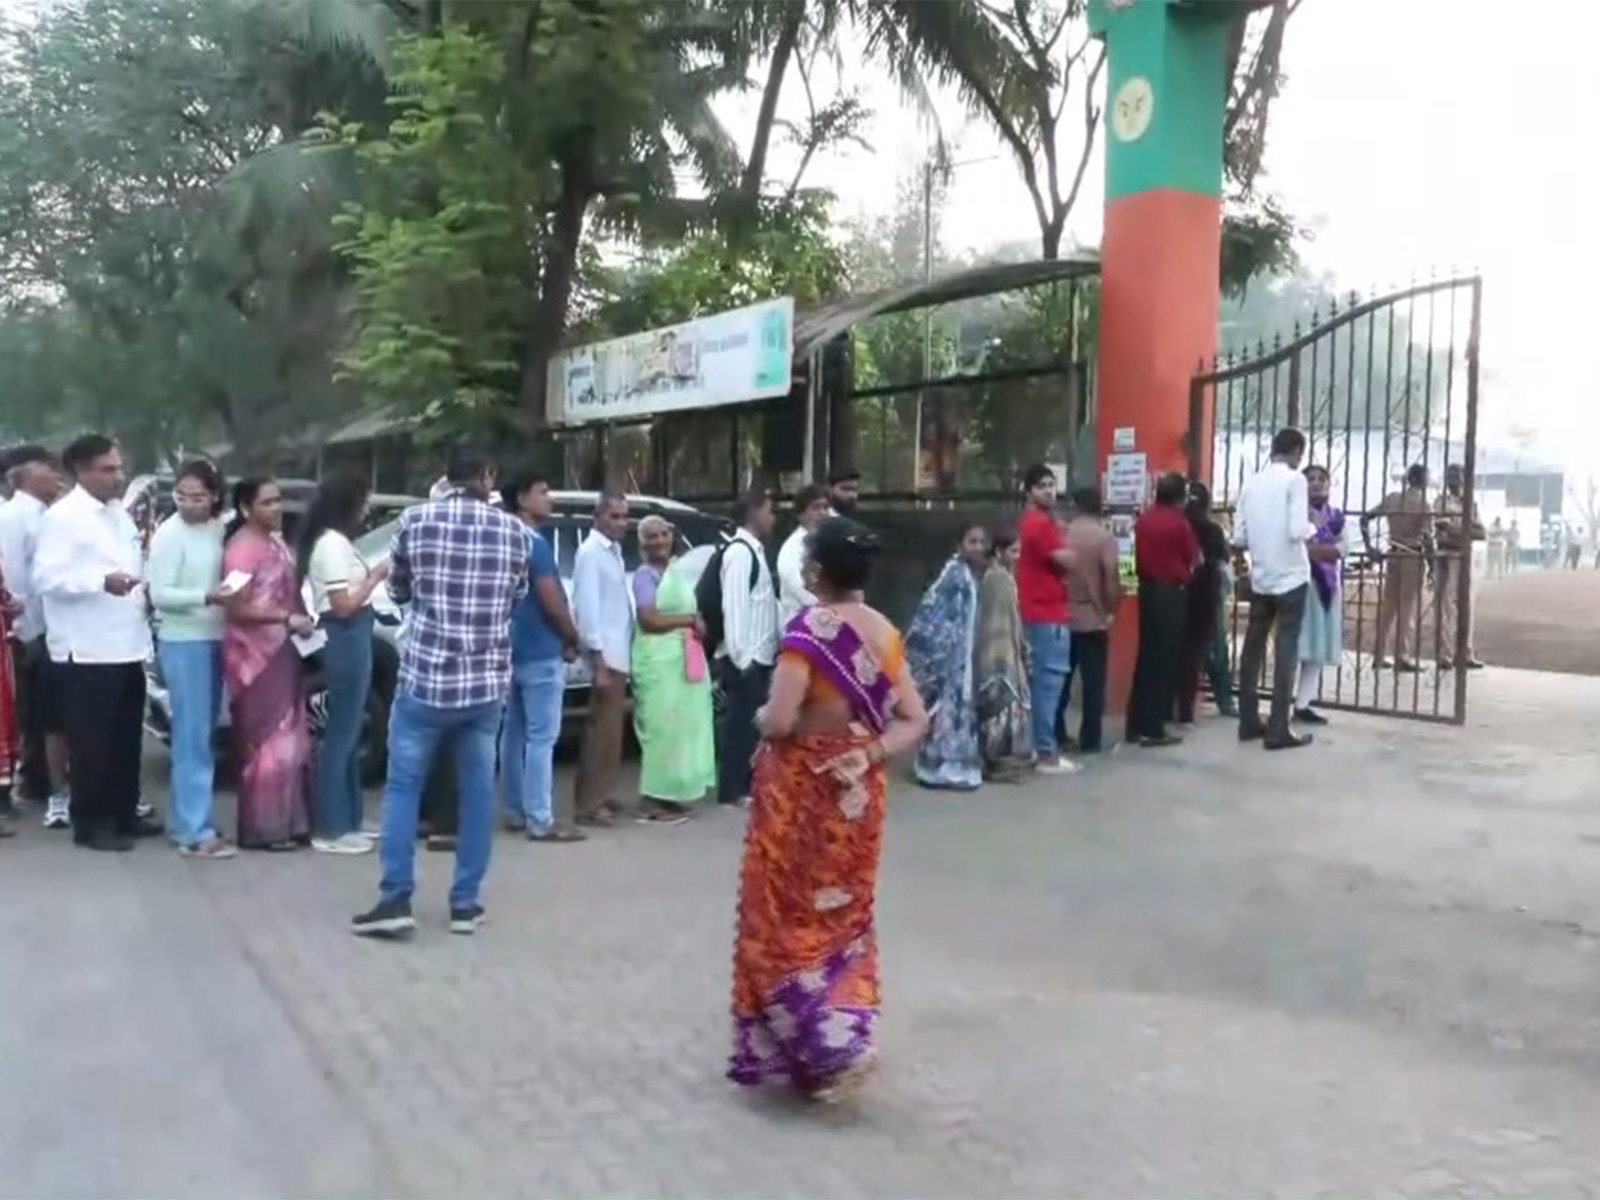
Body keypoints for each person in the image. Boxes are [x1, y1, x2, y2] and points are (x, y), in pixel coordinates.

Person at [728, 517, 928, 1102]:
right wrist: (868, 753)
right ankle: (844, 1034)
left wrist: (760, 721)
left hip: (800, 795)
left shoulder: (808, 632)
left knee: (782, 917)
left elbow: (783, 719)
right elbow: (913, 719)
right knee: (844, 915)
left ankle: (821, 1048)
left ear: (815, 573)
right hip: (856, 797)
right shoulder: (886, 633)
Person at [353, 445, 528, 938]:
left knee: (404, 788)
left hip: (427, 680)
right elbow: (516, 598)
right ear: (487, 476)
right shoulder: (516, 532)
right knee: (476, 791)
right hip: (485, 683)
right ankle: (466, 905)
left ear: (446, 476)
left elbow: (401, 589)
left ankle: (395, 898)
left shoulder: (415, 521)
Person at [33, 434, 161, 850]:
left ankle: (124, 814)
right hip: (86, 649)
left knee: (125, 738)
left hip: (126, 644)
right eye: (107, 469)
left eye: (118, 468)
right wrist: (99, 582)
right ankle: (92, 823)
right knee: (93, 744)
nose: (117, 476)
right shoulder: (63, 518)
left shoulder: (118, 515)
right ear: (81, 471)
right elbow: (46, 579)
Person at [147, 460, 235, 859]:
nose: (188, 503)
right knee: (192, 737)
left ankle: (189, 819)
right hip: (184, 642)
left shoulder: (219, 529)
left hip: (216, 637)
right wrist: (205, 597)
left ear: (215, 496)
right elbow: (159, 593)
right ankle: (193, 831)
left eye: (198, 496)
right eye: (181, 495)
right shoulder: (169, 534)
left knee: (202, 734)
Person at [222, 478, 314, 851]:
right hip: (253, 658)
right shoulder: (242, 550)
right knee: (266, 745)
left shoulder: (275, 543)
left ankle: (291, 822)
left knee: (292, 739)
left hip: (283, 649)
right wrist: (283, 618)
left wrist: (301, 618)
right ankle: (264, 828)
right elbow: (235, 606)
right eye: (267, 502)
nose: (277, 508)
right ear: (246, 508)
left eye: (278, 501)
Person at [300, 472, 388, 855]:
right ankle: (330, 826)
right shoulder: (331, 545)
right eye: (364, 500)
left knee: (351, 730)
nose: (368, 508)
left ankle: (349, 816)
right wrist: (375, 578)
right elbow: (343, 604)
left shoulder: (338, 542)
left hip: (355, 632)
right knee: (341, 733)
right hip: (344, 632)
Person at [499, 473, 583, 842]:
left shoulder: (502, 540)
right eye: (543, 491)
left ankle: (515, 809)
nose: (550, 498)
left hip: (508, 649)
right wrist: (570, 636)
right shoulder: (536, 544)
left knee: (513, 733)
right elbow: (551, 599)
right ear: (522, 498)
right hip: (540, 649)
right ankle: (540, 817)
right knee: (541, 736)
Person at [1232, 428, 1315, 750]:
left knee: (1252, 649)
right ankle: (1278, 726)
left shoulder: (1251, 482)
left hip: (1262, 576)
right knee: (1286, 651)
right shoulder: (1295, 480)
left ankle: (1248, 720)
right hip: (1292, 576)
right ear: (1296, 450)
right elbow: (1297, 529)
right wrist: (1312, 527)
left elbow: (1239, 537)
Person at [630, 514, 715, 821]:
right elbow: (649, 619)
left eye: (663, 534)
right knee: (660, 728)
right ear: (642, 543)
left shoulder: (675, 572)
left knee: (682, 728)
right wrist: (689, 621)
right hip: (657, 660)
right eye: (651, 536)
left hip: (683, 657)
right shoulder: (645, 575)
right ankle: (651, 800)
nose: (659, 541)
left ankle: (670, 794)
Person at [0, 445, 66, 819]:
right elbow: (13, 576)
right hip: (26, 628)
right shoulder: (14, 517)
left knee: (43, 708)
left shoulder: (44, 514)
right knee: (29, 711)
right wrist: (19, 628)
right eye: (49, 468)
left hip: (46, 625)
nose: (56, 475)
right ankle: (28, 780)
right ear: (25, 474)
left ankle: (39, 777)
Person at [904, 524, 987, 790]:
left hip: (961, 657)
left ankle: (954, 766)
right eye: (971, 541)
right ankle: (942, 768)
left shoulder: (966, 574)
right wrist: (947, 651)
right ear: (959, 544)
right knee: (947, 712)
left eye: (981, 542)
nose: (977, 547)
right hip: (951, 657)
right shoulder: (954, 575)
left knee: (956, 713)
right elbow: (936, 614)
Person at [569, 489, 634, 828]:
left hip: (619, 653)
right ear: (598, 516)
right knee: (600, 732)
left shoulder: (613, 551)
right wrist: (597, 660)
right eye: (614, 516)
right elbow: (588, 608)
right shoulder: (591, 552)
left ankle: (602, 794)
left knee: (612, 732)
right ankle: (589, 804)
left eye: (624, 516)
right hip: (605, 655)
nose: (621, 522)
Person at [715, 489, 780, 807]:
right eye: (769, 510)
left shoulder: (756, 551)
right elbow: (735, 608)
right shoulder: (740, 553)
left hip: (759, 655)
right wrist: (742, 660)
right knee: (740, 726)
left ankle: (747, 783)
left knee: (751, 725)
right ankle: (733, 789)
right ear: (754, 512)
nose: (773, 517)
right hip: (747, 658)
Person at [1015, 464, 1078, 774]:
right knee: (1048, 685)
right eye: (1042, 485)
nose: (1049, 491)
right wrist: (1067, 540)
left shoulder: (1036, 523)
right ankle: (1046, 753)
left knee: (1040, 684)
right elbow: (1068, 560)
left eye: (1052, 485)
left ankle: (1039, 747)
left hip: (1039, 612)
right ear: (1028, 491)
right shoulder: (1040, 525)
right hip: (1047, 614)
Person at [1129, 473, 1197, 747]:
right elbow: (1193, 557)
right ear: (1180, 498)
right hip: (1171, 592)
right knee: (1165, 661)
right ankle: (1154, 727)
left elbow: (1133, 558)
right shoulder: (1179, 524)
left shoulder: (1143, 519)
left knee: (1145, 658)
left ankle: (1134, 724)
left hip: (1147, 590)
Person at [1062, 487, 1121, 752]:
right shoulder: (1105, 538)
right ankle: (1090, 738)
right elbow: (1112, 577)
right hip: (1093, 620)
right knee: (1093, 684)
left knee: (1060, 681)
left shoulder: (1061, 534)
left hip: (1061, 617)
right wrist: (1111, 609)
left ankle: (1055, 732)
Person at [1293, 463, 1348, 724]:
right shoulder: (1296, 513)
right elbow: (1297, 548)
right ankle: (1285, 700)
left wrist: (1319, 548)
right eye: (1310, 478)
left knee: (1317, 648)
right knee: (1295, 645)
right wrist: (1325, 549)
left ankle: (1303, 703)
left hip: (1328, 586)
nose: (1316, 483)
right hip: (1301, 584)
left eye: (1321, 479)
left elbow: (1344, 549)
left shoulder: (1336, 516)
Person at [1362, 463, 1431, 671]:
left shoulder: (1392, 498)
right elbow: (1427, 536)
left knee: (1388, 608)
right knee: (1406, 608)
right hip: (1412, 555)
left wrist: (1369, 548)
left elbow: (1364, 518)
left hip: (1393, 554)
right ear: (1423, 480)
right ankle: (1402, 655)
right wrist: (1433, 563)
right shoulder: (1423, 504)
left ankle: (1379, 654)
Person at [975, 535, 1032, 779]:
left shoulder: (995, 577)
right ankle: (997, 760)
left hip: (998, 647)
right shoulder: (999, 579)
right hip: (1000, 649)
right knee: (1002, 704)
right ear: (999, 552)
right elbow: (1006, 617)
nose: (1017, 557)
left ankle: (998, 758)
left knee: (1000, 703)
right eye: (1013, 551)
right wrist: (1019, 644)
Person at [1174, 481, 1229, 727]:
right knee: (1211, 649)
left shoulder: (1171, 525)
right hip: (1206, 595)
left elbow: (1130, 560)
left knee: (1174, 652)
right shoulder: (1212, 529)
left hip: (1172, 593)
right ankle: (1223, 700)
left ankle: (1170, 708)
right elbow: (1222, 558)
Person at [1432, 463, 1486, 670]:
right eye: (1451, 476)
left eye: (1458, 476)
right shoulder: (1440, 501)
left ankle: (1465, 652)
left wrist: (1456, 528)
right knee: (1445, 607)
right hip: (1445, 556)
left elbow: (1482, 533)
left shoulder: (1469, 504)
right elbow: (1440, 527)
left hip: (1462, 557)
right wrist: (1465, 528)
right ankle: (1444, 654)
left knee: (1466, 607)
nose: (1454, 480)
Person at [776, 484, 829, 627]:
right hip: (799, 629)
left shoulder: (826, 543)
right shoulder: (792, 548)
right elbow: (800, 590)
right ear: (800, 515)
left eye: (825, 507)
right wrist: (832, 608)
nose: (822, 512)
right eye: (816, 508)